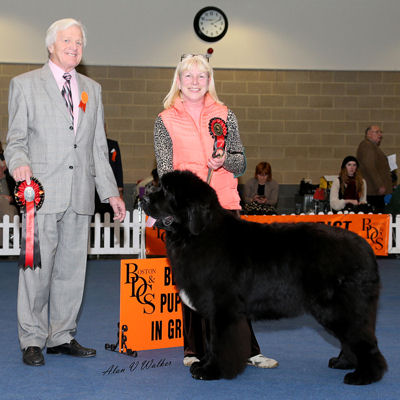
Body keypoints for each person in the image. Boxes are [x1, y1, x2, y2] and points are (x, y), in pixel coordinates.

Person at [5, 18, 126, 367]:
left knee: (72, 271)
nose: (74, 47)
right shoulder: (24, 85)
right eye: (67, 41)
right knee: (36, 271)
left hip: (80, 194)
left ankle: (61, 336)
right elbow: (15, 141)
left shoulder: (92, 89)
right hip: (39, 194)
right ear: (51, 46)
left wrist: (111, 193)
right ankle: (32, 339)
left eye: (79, 42)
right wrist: (19, 167)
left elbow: (97, 148)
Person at [153, 54, 278, 370]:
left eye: (201, 77)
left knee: (233, 286)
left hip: (225, 208)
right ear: (178, 81)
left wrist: (223, 161)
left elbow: (241, 162)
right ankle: (193, 349)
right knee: (192, 284)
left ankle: (247, 349)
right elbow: (166, 172)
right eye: (188, 76)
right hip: (188, 217)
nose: (195, 82)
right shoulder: (164, 119)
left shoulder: (226, 115)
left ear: (209, 81)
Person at [356, 126, 392, 213]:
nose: (380, 135)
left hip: (374, 190)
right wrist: (379, 185)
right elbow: (370, 166)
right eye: (377, 132)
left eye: (380, 132)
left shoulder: (372, 146)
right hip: (373, 191)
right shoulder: (367, 146)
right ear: (369, 134)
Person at [95, 136, 124, 215]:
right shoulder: (91, 144)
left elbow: (118, 166)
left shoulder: (113, 144)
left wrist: (120, 188)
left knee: (110, 212)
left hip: (111, 185)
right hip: (94, 186)